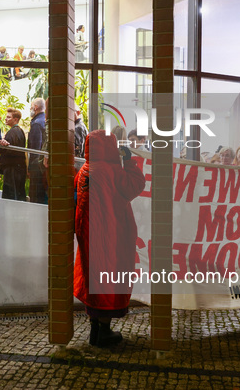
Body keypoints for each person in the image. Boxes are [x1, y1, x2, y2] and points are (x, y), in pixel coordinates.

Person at [74, 130, 146, 347]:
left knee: (92, 277)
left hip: (89, 233)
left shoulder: (85, 170)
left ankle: (95, 329)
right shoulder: (112, 170)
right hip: (111, 234)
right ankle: (103, 332)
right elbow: (135, 186)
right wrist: (129, 162)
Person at [0, 108, 27, 201]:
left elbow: (11, 151)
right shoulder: (19, 131)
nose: (6, 119)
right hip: (18, 168)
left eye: (8, 117)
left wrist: (1, 147)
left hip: (12, 169)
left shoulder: (13, 132)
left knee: (11, 196)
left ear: (15, 119)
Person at [27, 98, 47, 203]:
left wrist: (30, 168)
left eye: (31, 107)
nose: (30, 109)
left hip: (37, 166)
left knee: (35, 194)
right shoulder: (45, 121)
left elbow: (35, 148)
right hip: (44, 164)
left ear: (35, 107)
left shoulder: (36, 124)